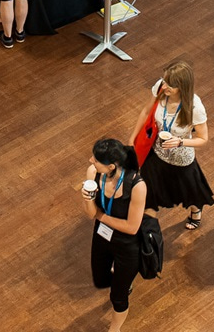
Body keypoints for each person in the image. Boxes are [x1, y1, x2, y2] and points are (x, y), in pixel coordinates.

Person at [135, 62, 214, 231]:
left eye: (170, 85)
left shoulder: (195, 107)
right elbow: (145, 111)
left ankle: (195, 210)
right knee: (149, 192)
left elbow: (203, 139)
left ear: (181, 87)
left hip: (181, 159)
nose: (164, 86)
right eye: (164, 81)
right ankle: (148, 230)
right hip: (156, 153)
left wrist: (180, 141)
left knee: (190, 192)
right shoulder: (161, 88)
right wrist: (132, 138)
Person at [80, 139, 145, 332]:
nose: (91, 160)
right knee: (100, 278)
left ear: (110, 166)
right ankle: (123, 278)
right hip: (102, 236)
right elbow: (91, 214)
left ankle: (114, 329)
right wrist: (87, 199)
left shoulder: (136, 185)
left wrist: (101, 215)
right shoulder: (93, 173)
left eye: (96, 159)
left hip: (128, 244)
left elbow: (132, 227)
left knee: (118, 296)